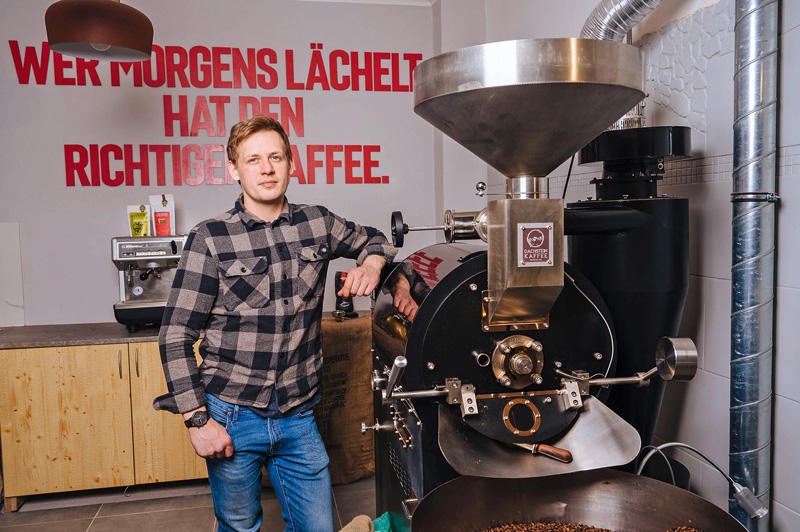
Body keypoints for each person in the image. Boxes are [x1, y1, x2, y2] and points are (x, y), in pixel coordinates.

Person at [153, 116, 396, 532]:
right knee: (239, 527)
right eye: (253, 160)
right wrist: (197, 421)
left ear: (290, 163)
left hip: (298, 415)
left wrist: (372, 264)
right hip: (230, 413)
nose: (266, 168)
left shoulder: (316, 222)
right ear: (234, 170)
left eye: (275, 157)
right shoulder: (210, 237)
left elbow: (375, 238)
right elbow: (175, 336)